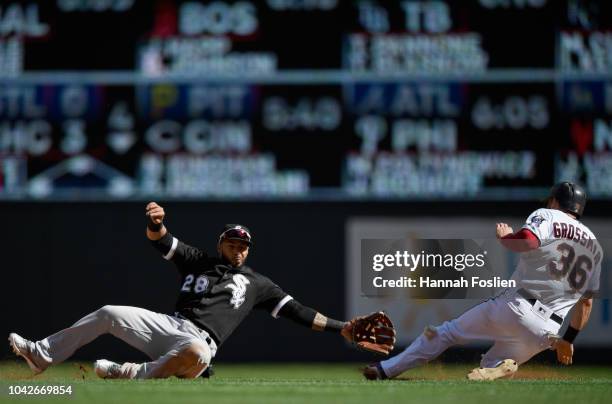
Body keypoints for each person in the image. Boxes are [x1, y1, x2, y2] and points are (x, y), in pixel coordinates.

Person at [9, 202, 363, 379]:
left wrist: (341, 327)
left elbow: (299, 312)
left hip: (200, 345)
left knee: (195, 350)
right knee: (108, 312)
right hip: (169, 326)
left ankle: (131, 373)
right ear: (220, 244)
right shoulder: (198, 260)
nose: (238, 249)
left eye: (244, 245)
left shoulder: (259, 284)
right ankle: (42, 354)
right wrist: (155, 223)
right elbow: (160, 241)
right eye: (232, 243)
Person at [363, 182, 602, 380]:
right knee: (488, 366)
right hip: (547, 331)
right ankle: (503, 366)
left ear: (554, 201)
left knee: (446, 333)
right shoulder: (594, 247)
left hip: (515, 307)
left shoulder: (548, 215)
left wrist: (505, 237)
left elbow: (527, 241)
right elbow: (587, 304)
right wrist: (567, 340)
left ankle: (385, 369)